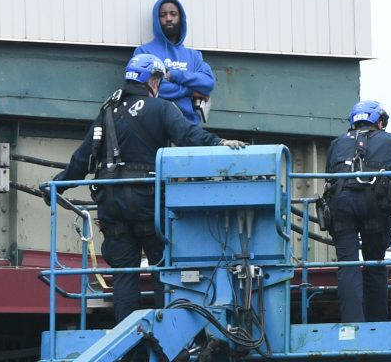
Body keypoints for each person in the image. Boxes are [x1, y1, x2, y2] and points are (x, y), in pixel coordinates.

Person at [48, 53, 245, 323]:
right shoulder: (162, 108)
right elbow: (187, 135)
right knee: (163, 268)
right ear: (152, 80)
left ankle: (125, 337)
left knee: (124, 272)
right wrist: (218, 142)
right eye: (158, 80)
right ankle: (167, 330)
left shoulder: (107, 111)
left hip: (111, 201)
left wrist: (57, 185)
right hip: (147, 200)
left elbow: (83, 158)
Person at [324, 100, 391, 322]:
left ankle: (352, 321)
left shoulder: (336, 144)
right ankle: (377, 320)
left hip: (342, 204)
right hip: (376, 204)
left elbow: (329, 178)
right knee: (375, 262)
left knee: (348, 264)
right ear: (380, 122)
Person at [131, 0, 214, 126]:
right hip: (156, 127)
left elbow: (208, 83)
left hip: (189, 129)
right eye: (163, 15)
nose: (168, 18)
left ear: (181, 18)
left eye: (173, 14)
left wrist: (174, 75)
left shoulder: (193, 56)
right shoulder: (144, 53)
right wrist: (191, 92)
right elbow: (152, 88)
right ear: (156, 20)